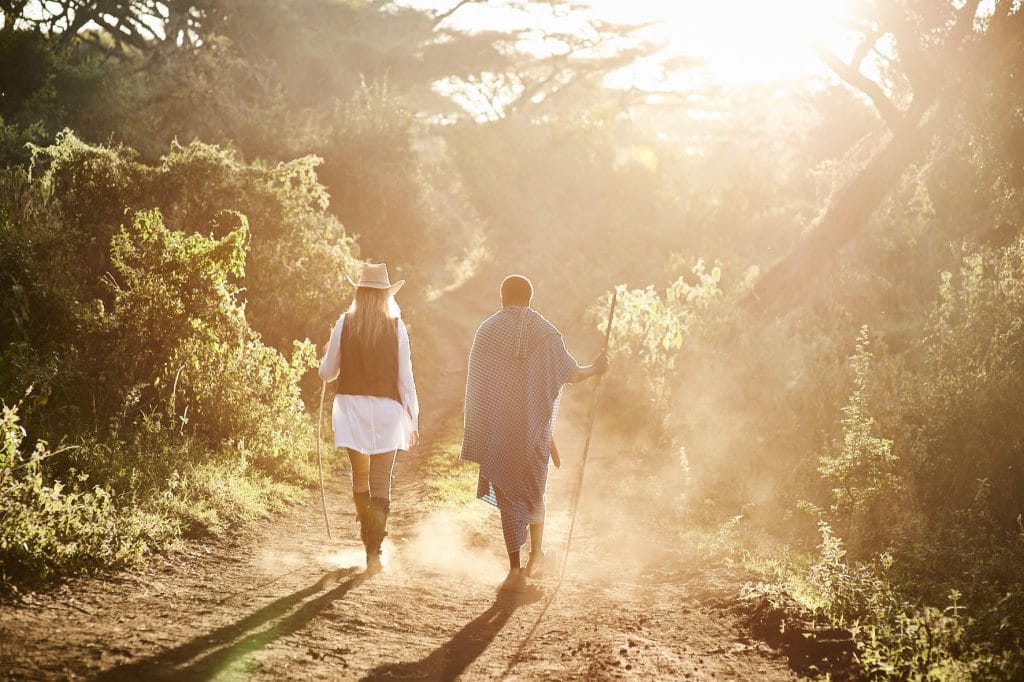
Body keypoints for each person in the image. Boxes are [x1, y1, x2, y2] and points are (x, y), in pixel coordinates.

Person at [460, 274, 607, 589]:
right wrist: (595, 368)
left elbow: (477, 388)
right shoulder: (546, 333)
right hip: (536, 433)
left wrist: (479, 434)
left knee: (509, 497)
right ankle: (536, 556)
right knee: (534, 493)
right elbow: (571, 374)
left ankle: (515, 568)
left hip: (498, 432)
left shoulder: (486, 332)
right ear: (529, 299)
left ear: (503, 298)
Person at [319, 262, 419, 571]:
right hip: (387, 410)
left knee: (361, 479)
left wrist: (325, 354)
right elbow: (405, 378)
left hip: (351, 408)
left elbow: (327, 372)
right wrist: (413, 418)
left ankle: (368, 539)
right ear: (386, 295)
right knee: (380, 481)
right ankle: (373, 553)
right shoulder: (396, 326)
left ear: (359, 293)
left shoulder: (344, 324)